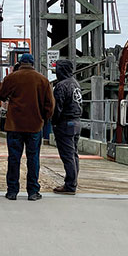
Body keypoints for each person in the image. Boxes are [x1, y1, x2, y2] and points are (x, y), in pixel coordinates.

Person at [0, 53, 54, 201]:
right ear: (33, 63)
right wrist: (43, 118)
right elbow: (50, 105)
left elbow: (1, 93)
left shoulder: (13, 77)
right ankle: (33, 191)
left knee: (14, 158)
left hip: (14, 125)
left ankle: (12, 191)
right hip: (34, 126)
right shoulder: (43, 80)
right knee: (33, 158)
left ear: (20, 63)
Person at [51, 58, 83, 195]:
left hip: (65, 123)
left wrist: (53, 122)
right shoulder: (75, 83)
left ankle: (70, 185)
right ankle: (73, 181)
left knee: (67, 156)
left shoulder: (61, 86)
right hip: (77, 122)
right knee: (74, 154)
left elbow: (57, 107)